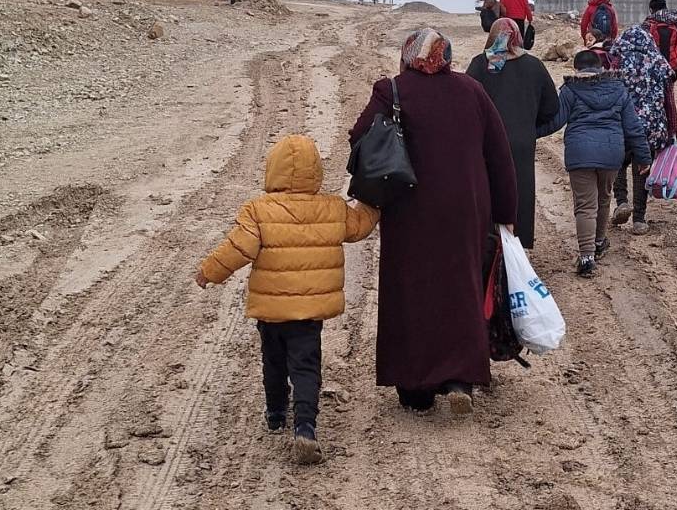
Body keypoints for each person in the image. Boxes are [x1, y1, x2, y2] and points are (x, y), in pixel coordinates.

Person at [348, 29, 517, 414]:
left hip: (409, 208)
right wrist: (507, 215)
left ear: (408, 55)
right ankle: (460, 379)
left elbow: (359, 136)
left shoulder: (391, 89)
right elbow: (499, 155)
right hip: (466, 209)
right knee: (461, 287)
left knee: (412, 291)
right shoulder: (472, 91)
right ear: (448, 56)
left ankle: (415, 388)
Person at [196, 134, 379, 465]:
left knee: (274, 361)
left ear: (273, 170)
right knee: (306, 367)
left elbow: (238, 249)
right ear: (316, 173)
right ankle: (305, 427)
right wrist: (375, 200)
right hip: (308, 315)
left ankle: (276, 413)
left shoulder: (257, 210)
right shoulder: (332, 209)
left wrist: (209, 272)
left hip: (272, 312)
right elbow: (361, 226)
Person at [537, 50, 651, 277]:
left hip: (580, 154)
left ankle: (587, 257)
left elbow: (555, 122)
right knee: (603, 199)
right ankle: (599, 242)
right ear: (601, 67)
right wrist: (643, 157)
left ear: (577, 69)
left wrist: (526, 132)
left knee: (585, 205)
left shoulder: (570, 90)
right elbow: (633, 127)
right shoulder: (619, 89)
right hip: (611, 154)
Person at [466, 18, 560, 249]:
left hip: (486, 143)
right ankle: (518, 244)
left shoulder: (481, 64)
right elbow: (552, 108)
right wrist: (528, 124)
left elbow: (465, 104)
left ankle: (488, 243)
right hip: (521, 142)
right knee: (520, 190)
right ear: (518, 37)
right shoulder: (534, 65)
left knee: (487, 189)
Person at [607, 23, 674, 236]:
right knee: (643, 168)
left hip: (622, 124)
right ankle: (639, 219)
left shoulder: (615, 62)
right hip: (651, 126)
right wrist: (672, 129)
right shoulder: (659, 63)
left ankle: (621, 202)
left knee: (618, 163)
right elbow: (669, 100)